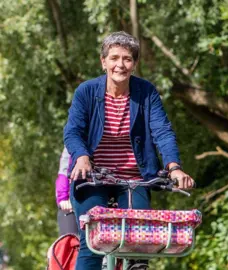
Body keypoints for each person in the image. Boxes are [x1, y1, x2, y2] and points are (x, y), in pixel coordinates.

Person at [64, 31, 195, 270]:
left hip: (135, 178)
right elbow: (72, 131)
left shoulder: (146, 92)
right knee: (92, 243)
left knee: (139, 244)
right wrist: (82, 157)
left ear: (134, 64)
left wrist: (174, 168)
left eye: (127, 58)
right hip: (93, 177)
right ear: (103, 62)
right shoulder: (87, 91)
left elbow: (162, 131)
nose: (120, 65)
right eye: (114, 58)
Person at [55, 146, 78, 236]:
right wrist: (63, 198)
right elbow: (64, 172)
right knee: (70, 239)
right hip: (72, 201)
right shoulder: (73, 140)